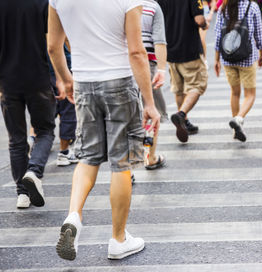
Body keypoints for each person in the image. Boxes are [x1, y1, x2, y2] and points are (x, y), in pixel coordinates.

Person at [48, 0, 160, 261]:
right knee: (121, 163)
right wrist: (150, 102)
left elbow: (54, 46)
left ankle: (73, 215)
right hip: (119, 81)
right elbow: (136, 52)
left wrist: (66, 79)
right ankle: (118, 240)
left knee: (88, 158)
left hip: (85, 83)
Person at [0, 0, 56, 209]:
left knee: (16, 139)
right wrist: (60, 77)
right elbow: (52, 45)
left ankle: (22, 194)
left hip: (8, 81)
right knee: (45, 130)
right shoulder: (43, 3)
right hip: (38, 79)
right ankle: (34, 171)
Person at [158, 0, 209, 143]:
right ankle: (181, 115)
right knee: (197, 85)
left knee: (179, 89)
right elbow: (199, 19)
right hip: (189, 48)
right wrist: (205, 25)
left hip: (170, 49)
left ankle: (184, 121)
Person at [214, 0, 262, 142]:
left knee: (234, 93)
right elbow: (259, 34)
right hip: (247, 57)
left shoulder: (223, 7)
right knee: (250, 95)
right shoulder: (252, 6)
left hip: (228, 57)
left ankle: (235, 131)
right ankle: (239, 119)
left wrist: (216, 59)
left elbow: (218, 35)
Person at [141, 0, 168, 170]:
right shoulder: (152, 7)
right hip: (147, 65)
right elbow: (159, 41)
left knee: (127, 115)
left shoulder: (117, 4)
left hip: (121, 65)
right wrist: (162, 69)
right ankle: (150, 156)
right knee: (152, 111)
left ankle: (126, 168)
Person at [50, 43, 79, 167]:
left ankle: (34, 143)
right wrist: (61, 79)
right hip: (60, 69)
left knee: (45, 113)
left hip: (38, 71)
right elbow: (53, 47)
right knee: (68, 111)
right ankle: (64, 152)